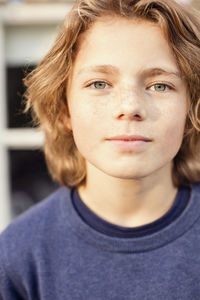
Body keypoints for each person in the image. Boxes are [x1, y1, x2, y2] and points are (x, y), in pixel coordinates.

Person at [0, 0, 200, 299]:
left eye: (160, 85)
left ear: (191, 109)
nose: (130, 107)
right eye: (99, 83)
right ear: (64, 108)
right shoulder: (18, 255)